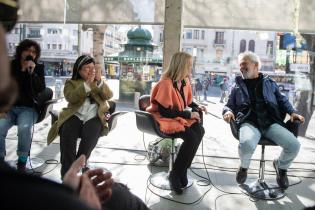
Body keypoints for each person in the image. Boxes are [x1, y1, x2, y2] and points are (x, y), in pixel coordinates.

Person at [222, 51, 304, 190]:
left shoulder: (269, 82)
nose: (241, 68)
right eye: (240, 65)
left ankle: (281, 167)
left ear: (255, 65)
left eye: (244, 65)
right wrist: (228, 111)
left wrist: (293, 112)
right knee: (247, 143)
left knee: (294, 145)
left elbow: (282, 100)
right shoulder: (237, 85)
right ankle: (244, 167)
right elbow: (228, 105)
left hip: (271, 122)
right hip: (249, 121)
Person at [146, 52, 206, 194]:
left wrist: (197, 107)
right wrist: (188, 114)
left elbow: (189, 101)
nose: (191, 68)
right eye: (189, 65)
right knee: (191, 137)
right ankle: (175, 174)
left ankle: (182, 169)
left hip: (177, 115)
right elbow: (165, 112)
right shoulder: (165, 83)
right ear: (181, 66)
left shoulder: (184, 81)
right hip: (164, 118)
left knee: (200, 131)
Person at [47, 55, 114, 178]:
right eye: (87, 68)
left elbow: (109, 95)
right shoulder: (71, 83)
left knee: (90, 135)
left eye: (93, 68)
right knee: (67, 133)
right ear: (79, 70)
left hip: (95, 115)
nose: (91, 71)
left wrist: (99, 82)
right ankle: (67, 175)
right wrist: (86, 85)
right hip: (75, 114)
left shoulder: (99, 82)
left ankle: (77, 165)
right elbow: (71, 97)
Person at [0, 38, 53, 170]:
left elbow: (41, 88)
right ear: (20, 51)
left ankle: (22, 161)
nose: (31, 53)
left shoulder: (38, 68)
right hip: (10, 108)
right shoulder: (11, 66)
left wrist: (33, 73)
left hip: (28, 109)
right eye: (28, 50)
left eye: (34, 52)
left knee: (24, 128)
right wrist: (22, 70)